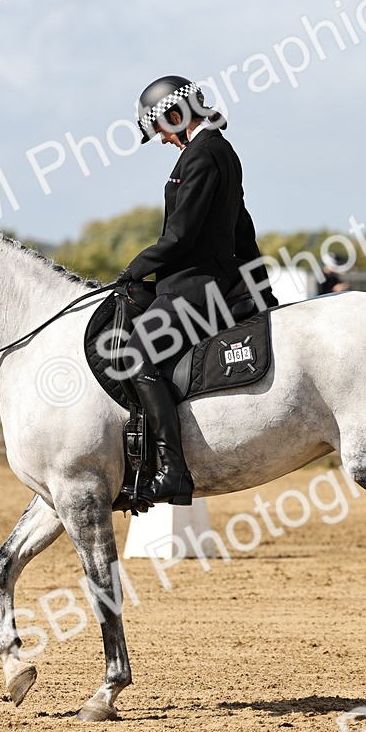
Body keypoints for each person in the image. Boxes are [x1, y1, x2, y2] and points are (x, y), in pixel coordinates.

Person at [116, 75, 277, 509]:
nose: (165, 140)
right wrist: (258, 285)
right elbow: (242, 227)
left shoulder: (202, 155)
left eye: (164, 131)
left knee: (137, 352)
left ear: (176, 115)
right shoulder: (217, 151)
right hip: (208, 280)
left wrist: (133, 270)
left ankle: (172, 471)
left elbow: (181, 236)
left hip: (196, 288)